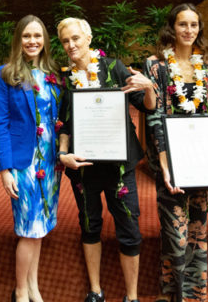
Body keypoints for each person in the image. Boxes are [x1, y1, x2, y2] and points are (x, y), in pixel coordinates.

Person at [56, 18, 156, 302]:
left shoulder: (114, 68)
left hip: (119, 165)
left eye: (76, 38)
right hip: (83, 166)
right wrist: (63, 155)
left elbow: (145, 106)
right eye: (65, 41)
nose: (71, 45)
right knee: (90, 225)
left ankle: (132, 296)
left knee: (128, 226)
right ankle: (95, 291)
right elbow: (64, 124)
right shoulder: (66, 78)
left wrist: (148, 87)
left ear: (88, 37)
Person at [144, 4, 208, 302]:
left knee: (197, 229)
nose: (188, 30)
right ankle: (174, 296)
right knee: (176, 234)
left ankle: (196, 296)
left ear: (200, 29)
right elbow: (154, 116)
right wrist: (165, 164)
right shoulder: (156, 66)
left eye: (194, 25)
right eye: (182, 24)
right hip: (170, 161)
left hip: (202, 160)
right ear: (172, 27)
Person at [0, 15, 62, 302]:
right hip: (24, 163)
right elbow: (1, 122)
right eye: (26, 36)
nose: (32, 41)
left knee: (39, 227)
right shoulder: (6, 74)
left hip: (50, 162)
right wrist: (5, 169)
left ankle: (34, 286)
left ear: (44, 40)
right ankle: (20, 291)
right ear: (18, 40)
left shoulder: (53, 74)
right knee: (28, 228)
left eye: (37, 36)